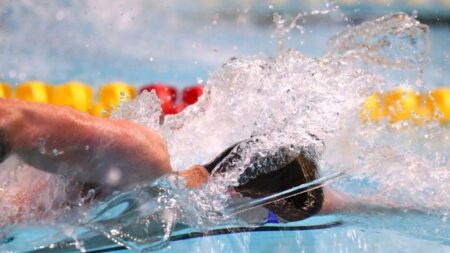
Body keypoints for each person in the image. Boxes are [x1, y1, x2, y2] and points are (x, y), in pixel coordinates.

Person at [0, 98, 346, 224]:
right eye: (269, 216)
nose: (262, 222)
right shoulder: (141, 158)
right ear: (234, 193)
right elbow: (11, 120)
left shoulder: (209, 203)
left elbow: (333, 202)